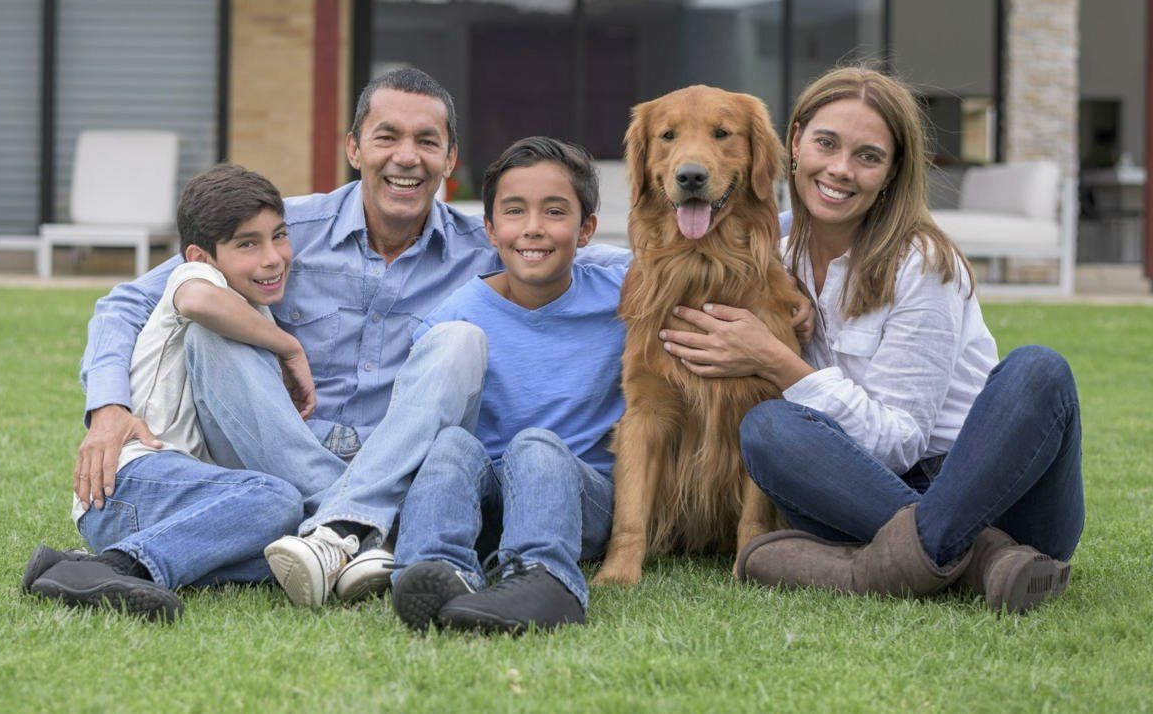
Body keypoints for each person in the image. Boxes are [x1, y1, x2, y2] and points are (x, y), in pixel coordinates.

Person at [64, 67, 628, 608]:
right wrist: (109, 407)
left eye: (426, 142)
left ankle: (328, 531)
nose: (406, 157)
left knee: (459, 340)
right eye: (387, 137)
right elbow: (130, 301)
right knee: (213, 334)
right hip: (277, 447)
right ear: (354, 148)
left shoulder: (490, 242)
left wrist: (715, 310)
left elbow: (587, 254)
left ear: (449, 160)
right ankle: (359, 533)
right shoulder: (282, 232)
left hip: (397, 456)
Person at [659, 65, 1083, 613]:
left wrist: (776, 359)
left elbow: (900, 443)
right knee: (767, 429)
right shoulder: (767, 244)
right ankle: (984, 564)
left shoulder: (925, 264)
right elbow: (651, 257)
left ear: (893, 171)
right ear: (794, 143)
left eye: (868, 156)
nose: (840, 169)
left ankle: (871, 570)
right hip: (858, 496)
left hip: (990, 489)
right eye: (826, 144)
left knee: (1039, 370)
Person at [24, 165, 310, 620]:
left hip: (189, 498)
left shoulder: (251, 305)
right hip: (133, 480)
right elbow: (198, 302)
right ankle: (119, 568)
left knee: (295, 550)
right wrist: (290, 348)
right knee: (277, 499)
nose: (273, 257)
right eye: (247, 244)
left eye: (279, 236)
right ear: (200, 256)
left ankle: (72, 567)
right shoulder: (195, 281)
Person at [383, 136, 625, 635]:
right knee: (450, 445)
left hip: (579, 503)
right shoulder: (454, 318)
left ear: (587, 230)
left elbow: (696, 273)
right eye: (514, 213)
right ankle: (436, 570)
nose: (533, 229)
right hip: (486, 505)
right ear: (491, 229)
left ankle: (546, 579)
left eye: (555, 212)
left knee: (534, 446)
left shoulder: (625, 296)